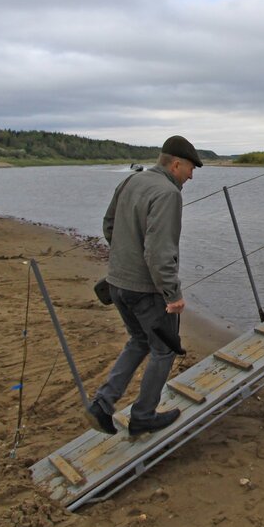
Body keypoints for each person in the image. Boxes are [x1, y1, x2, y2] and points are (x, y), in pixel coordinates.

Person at [86, 135, 202, 437]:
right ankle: (143, 416)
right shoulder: (168, 193)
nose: (191, 176)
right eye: (190, 168)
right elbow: (159, 252)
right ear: (175, 164)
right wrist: (173, 295)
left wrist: (125, 259)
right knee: (164, 350)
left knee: (138, 341)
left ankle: (102, 404)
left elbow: (109, 225)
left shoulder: (131, 182)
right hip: (147, 290)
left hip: (117, 283)